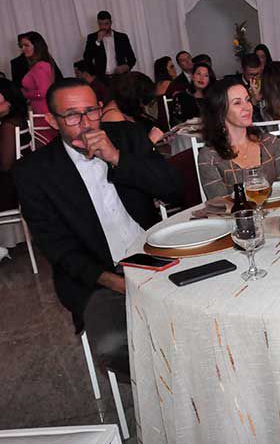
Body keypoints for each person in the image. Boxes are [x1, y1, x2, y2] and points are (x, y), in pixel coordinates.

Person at [12, 78, 182, 376]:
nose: (86, 123)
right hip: (96, 276)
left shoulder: (127, 137)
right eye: (72, 115)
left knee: (208, 313)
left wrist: (116, 158)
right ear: (51, 120)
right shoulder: (33, 172)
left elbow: (174, 190)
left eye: (91, 111)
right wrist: (116, 282)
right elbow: (57, 248)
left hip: (152, 256)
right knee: (120, 348)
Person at [197, 79, 280, 199]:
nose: (247, 107)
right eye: (237, 103)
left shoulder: (270, 143)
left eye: (247, 100)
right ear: (220, 111)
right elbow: (220, 202)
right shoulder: (209, 156)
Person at [102, 72, 164, 144]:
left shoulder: (125, 110)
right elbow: (129, 149)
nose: (143, 106)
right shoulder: (113, 116)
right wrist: (151, 141)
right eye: (143, 102)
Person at [20, 31, 57, 142]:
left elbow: (43, 92)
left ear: (36, 46)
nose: (23, 49)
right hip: (41, 111)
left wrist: (25, 93)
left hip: (42, 113)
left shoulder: (40, 66)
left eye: (26, 45)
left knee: (44, 144)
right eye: (22, 46)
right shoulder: (40, 65)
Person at [0, 79, 29, 211]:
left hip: (8, 188)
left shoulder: (9, 126)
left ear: (8, 99)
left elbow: (6, 165)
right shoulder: (17, 119)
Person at [82, 10, 137, 76]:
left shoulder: (122, 37)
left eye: (106, 24)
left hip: (120, 77)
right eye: (100, 24)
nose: (103, 27)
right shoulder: (92, 38)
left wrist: (126, 67)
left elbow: (132, 59)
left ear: (111, 23)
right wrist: (98, 41)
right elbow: (87, 58)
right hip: (101, 78)